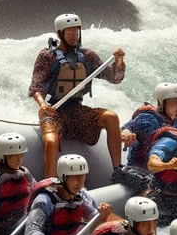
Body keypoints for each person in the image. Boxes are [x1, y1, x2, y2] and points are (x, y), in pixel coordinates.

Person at [29, 13, 126, 178]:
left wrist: (119, 62)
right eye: (70, 32)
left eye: (77, 32)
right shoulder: (47, 56)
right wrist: (42, 105)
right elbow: (35, 87)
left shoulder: (87, 56)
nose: (74, 36)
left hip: (76, 109)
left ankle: (118, 171)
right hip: (53, 109)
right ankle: (49, 184)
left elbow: (114, 78)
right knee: (51, 141)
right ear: (60, 33)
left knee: (111, 117)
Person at [112, 82, 177, 194]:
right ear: (162, 102)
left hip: (159, 173)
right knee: (152, 186)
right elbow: (125, 130)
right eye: (173, 103)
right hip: (136, 172)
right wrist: (126, 135)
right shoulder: (148, 118)